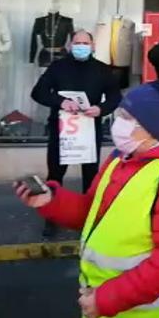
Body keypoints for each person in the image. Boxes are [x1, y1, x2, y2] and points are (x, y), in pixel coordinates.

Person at [16, 75, 159, 318]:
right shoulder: (120, 158)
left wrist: (105, 300)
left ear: (154, 128)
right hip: (113, 310)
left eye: (128, 118)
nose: (118, 123)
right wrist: (51, 201)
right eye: (120, 114)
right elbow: (93, 212)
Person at [31, 30, 121, 236]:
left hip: (90, 128)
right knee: (55, 174)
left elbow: (115, 96)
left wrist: (102, 109)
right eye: (77, 43)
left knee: (91, 176)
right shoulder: (58, 67)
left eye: (85, 43)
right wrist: (60, 102)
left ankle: (90, 217)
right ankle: (51, 217)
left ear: (93, 46)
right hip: (61, 128)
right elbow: (38, 92)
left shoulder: (102, 70)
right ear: (70, 45)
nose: (81, 46)